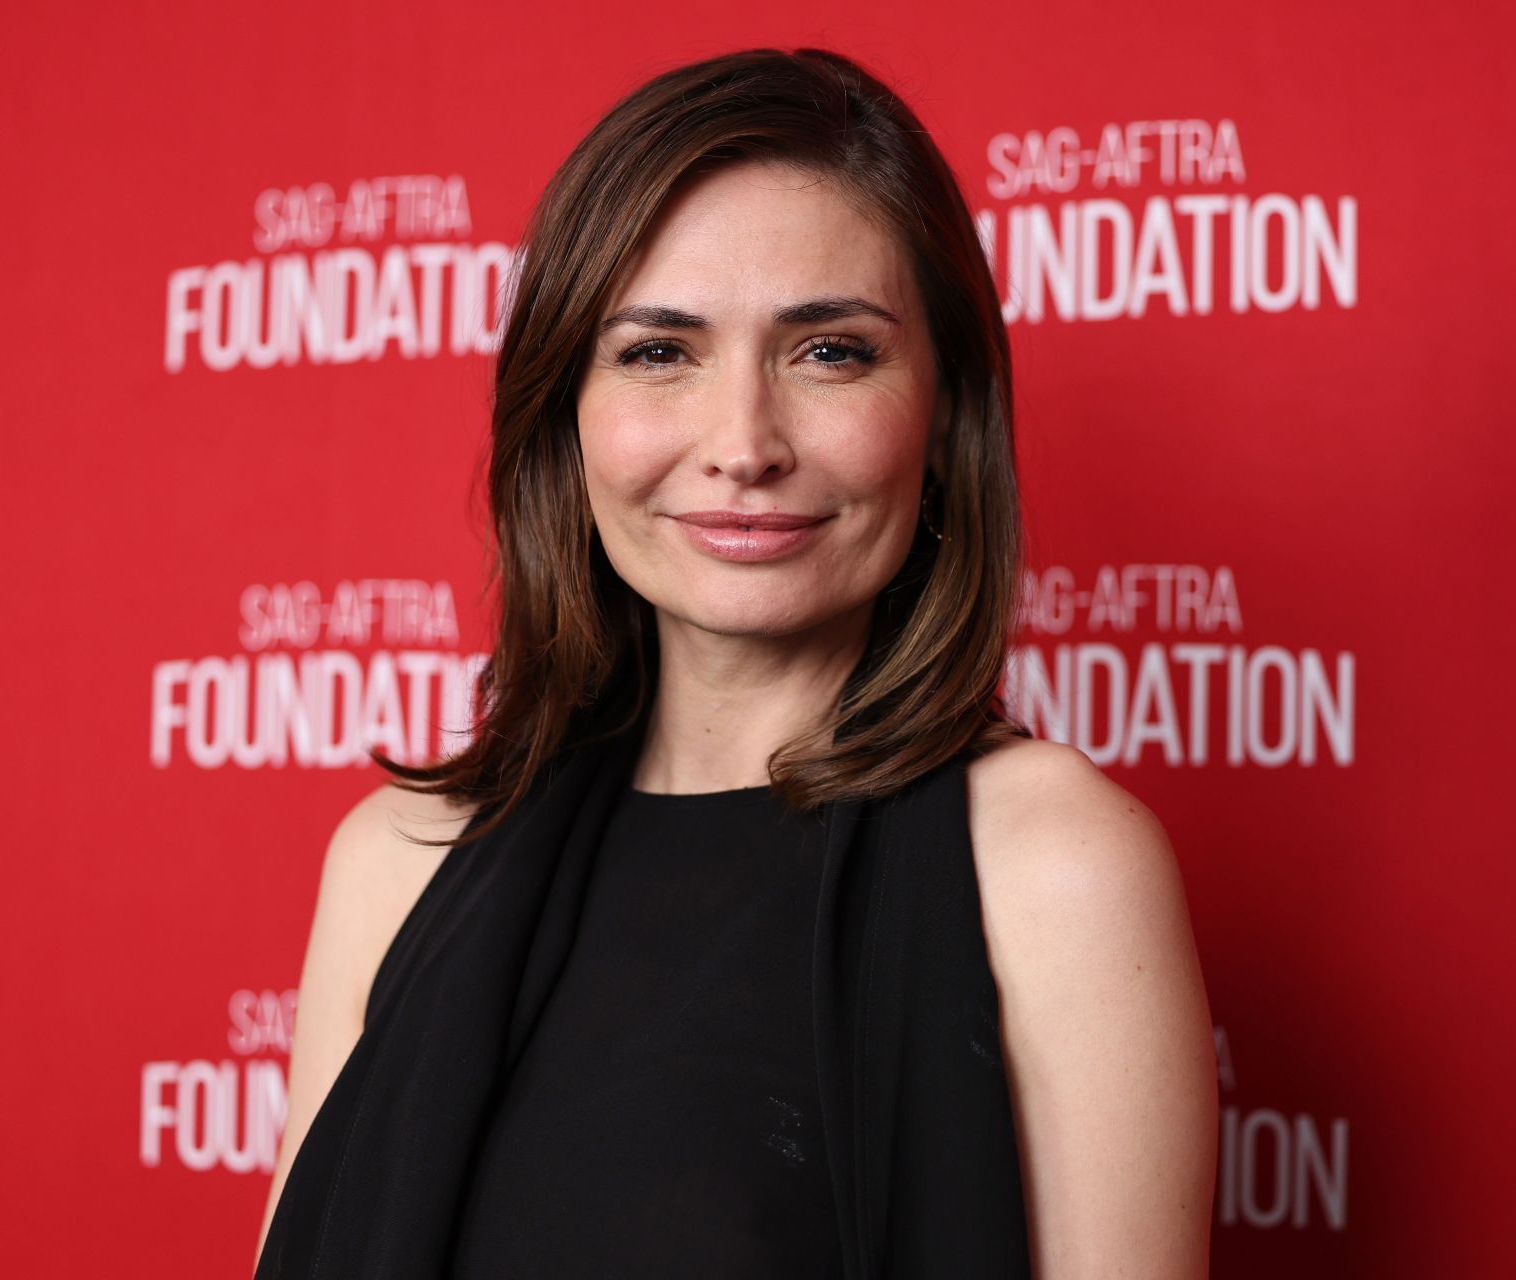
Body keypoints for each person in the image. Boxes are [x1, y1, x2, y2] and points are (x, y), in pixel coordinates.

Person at [254, 46, 1217, 1279]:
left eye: (831, 351)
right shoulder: (395, 858)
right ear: (566, 416)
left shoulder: (1054, 866)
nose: (744, 443)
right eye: (660, 352)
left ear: (944, 413)